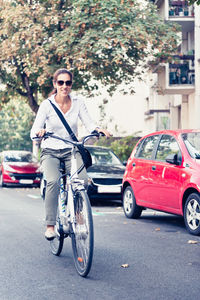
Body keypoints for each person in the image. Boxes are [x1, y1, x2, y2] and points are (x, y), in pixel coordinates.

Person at [30, 68, 111, 240]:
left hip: (71, 150)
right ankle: (50, 225)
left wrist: (97, 130)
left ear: (71, 85)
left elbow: (89, 123)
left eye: (68, 83)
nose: (64, 86)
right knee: (52, 181)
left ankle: (79, 218)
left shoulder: (78, 102)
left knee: (81, 181)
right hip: (50, 151)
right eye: (61, 82)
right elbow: (34, 130)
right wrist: (40, 132)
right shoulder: (47, 105)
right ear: (55, 84)